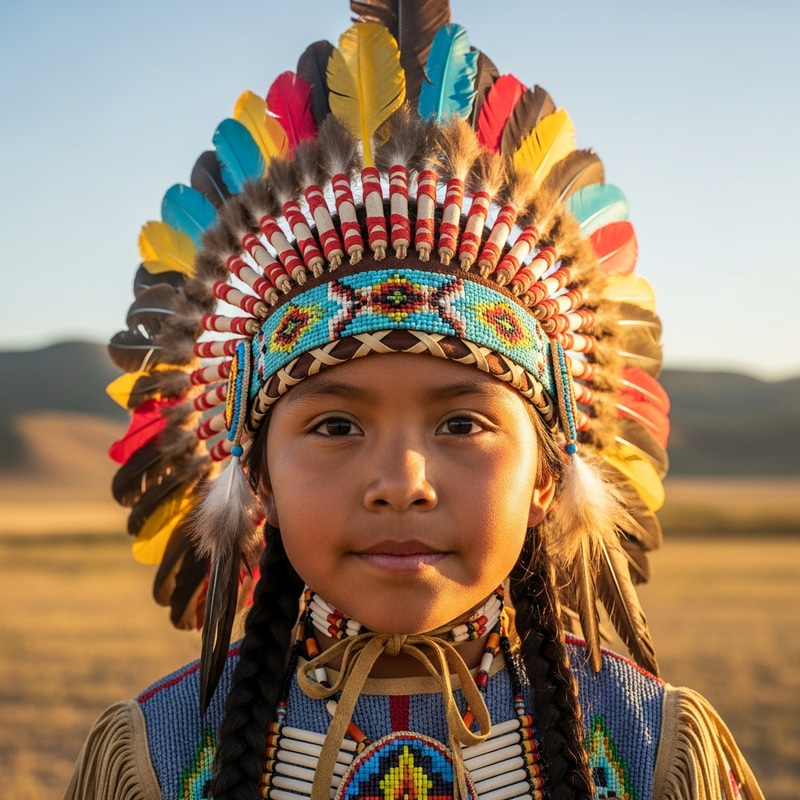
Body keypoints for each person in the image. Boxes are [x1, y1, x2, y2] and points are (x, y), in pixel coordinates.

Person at [65, 4, 764, 799]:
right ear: (256, 479)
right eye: (334, 424)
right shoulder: (158, 757)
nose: (402, 480)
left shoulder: (653, 748)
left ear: (547, 475)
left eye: (463, 422)